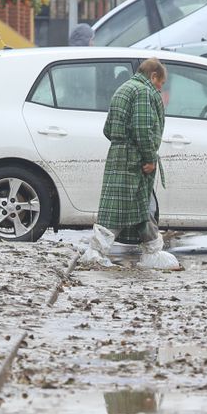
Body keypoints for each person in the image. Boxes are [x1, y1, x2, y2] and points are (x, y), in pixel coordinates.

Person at [82, 58, 177, 269]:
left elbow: (108, 129)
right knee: (127, 208)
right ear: (153, 76)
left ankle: (150, 250)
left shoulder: (124, 89)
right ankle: (99, 252)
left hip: (119, 155)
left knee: (135, 207)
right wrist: (149, 157)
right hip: (134, 160)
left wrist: (121, 143)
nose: (160, 89)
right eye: (160, 83)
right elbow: (142, 129)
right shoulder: (143, 92)